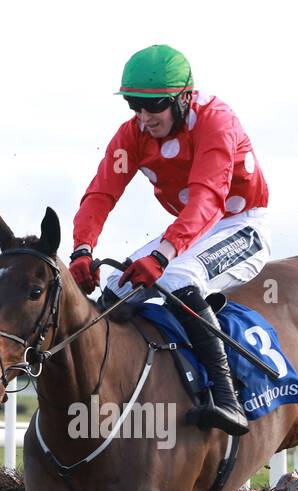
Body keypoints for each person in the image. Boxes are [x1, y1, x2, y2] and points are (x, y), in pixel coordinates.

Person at [69, 44, 270, 436]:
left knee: (178, 277)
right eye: (133, 105)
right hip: (191, 229)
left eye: (154, 105)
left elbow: (208, 199)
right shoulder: (133, 134)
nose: (144, 118)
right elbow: (100, 195)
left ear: (183, 97)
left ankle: (227, 399)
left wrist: (162, 256)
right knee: (116, 289)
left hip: (239, 224)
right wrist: (82, 249)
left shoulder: (217, 121)